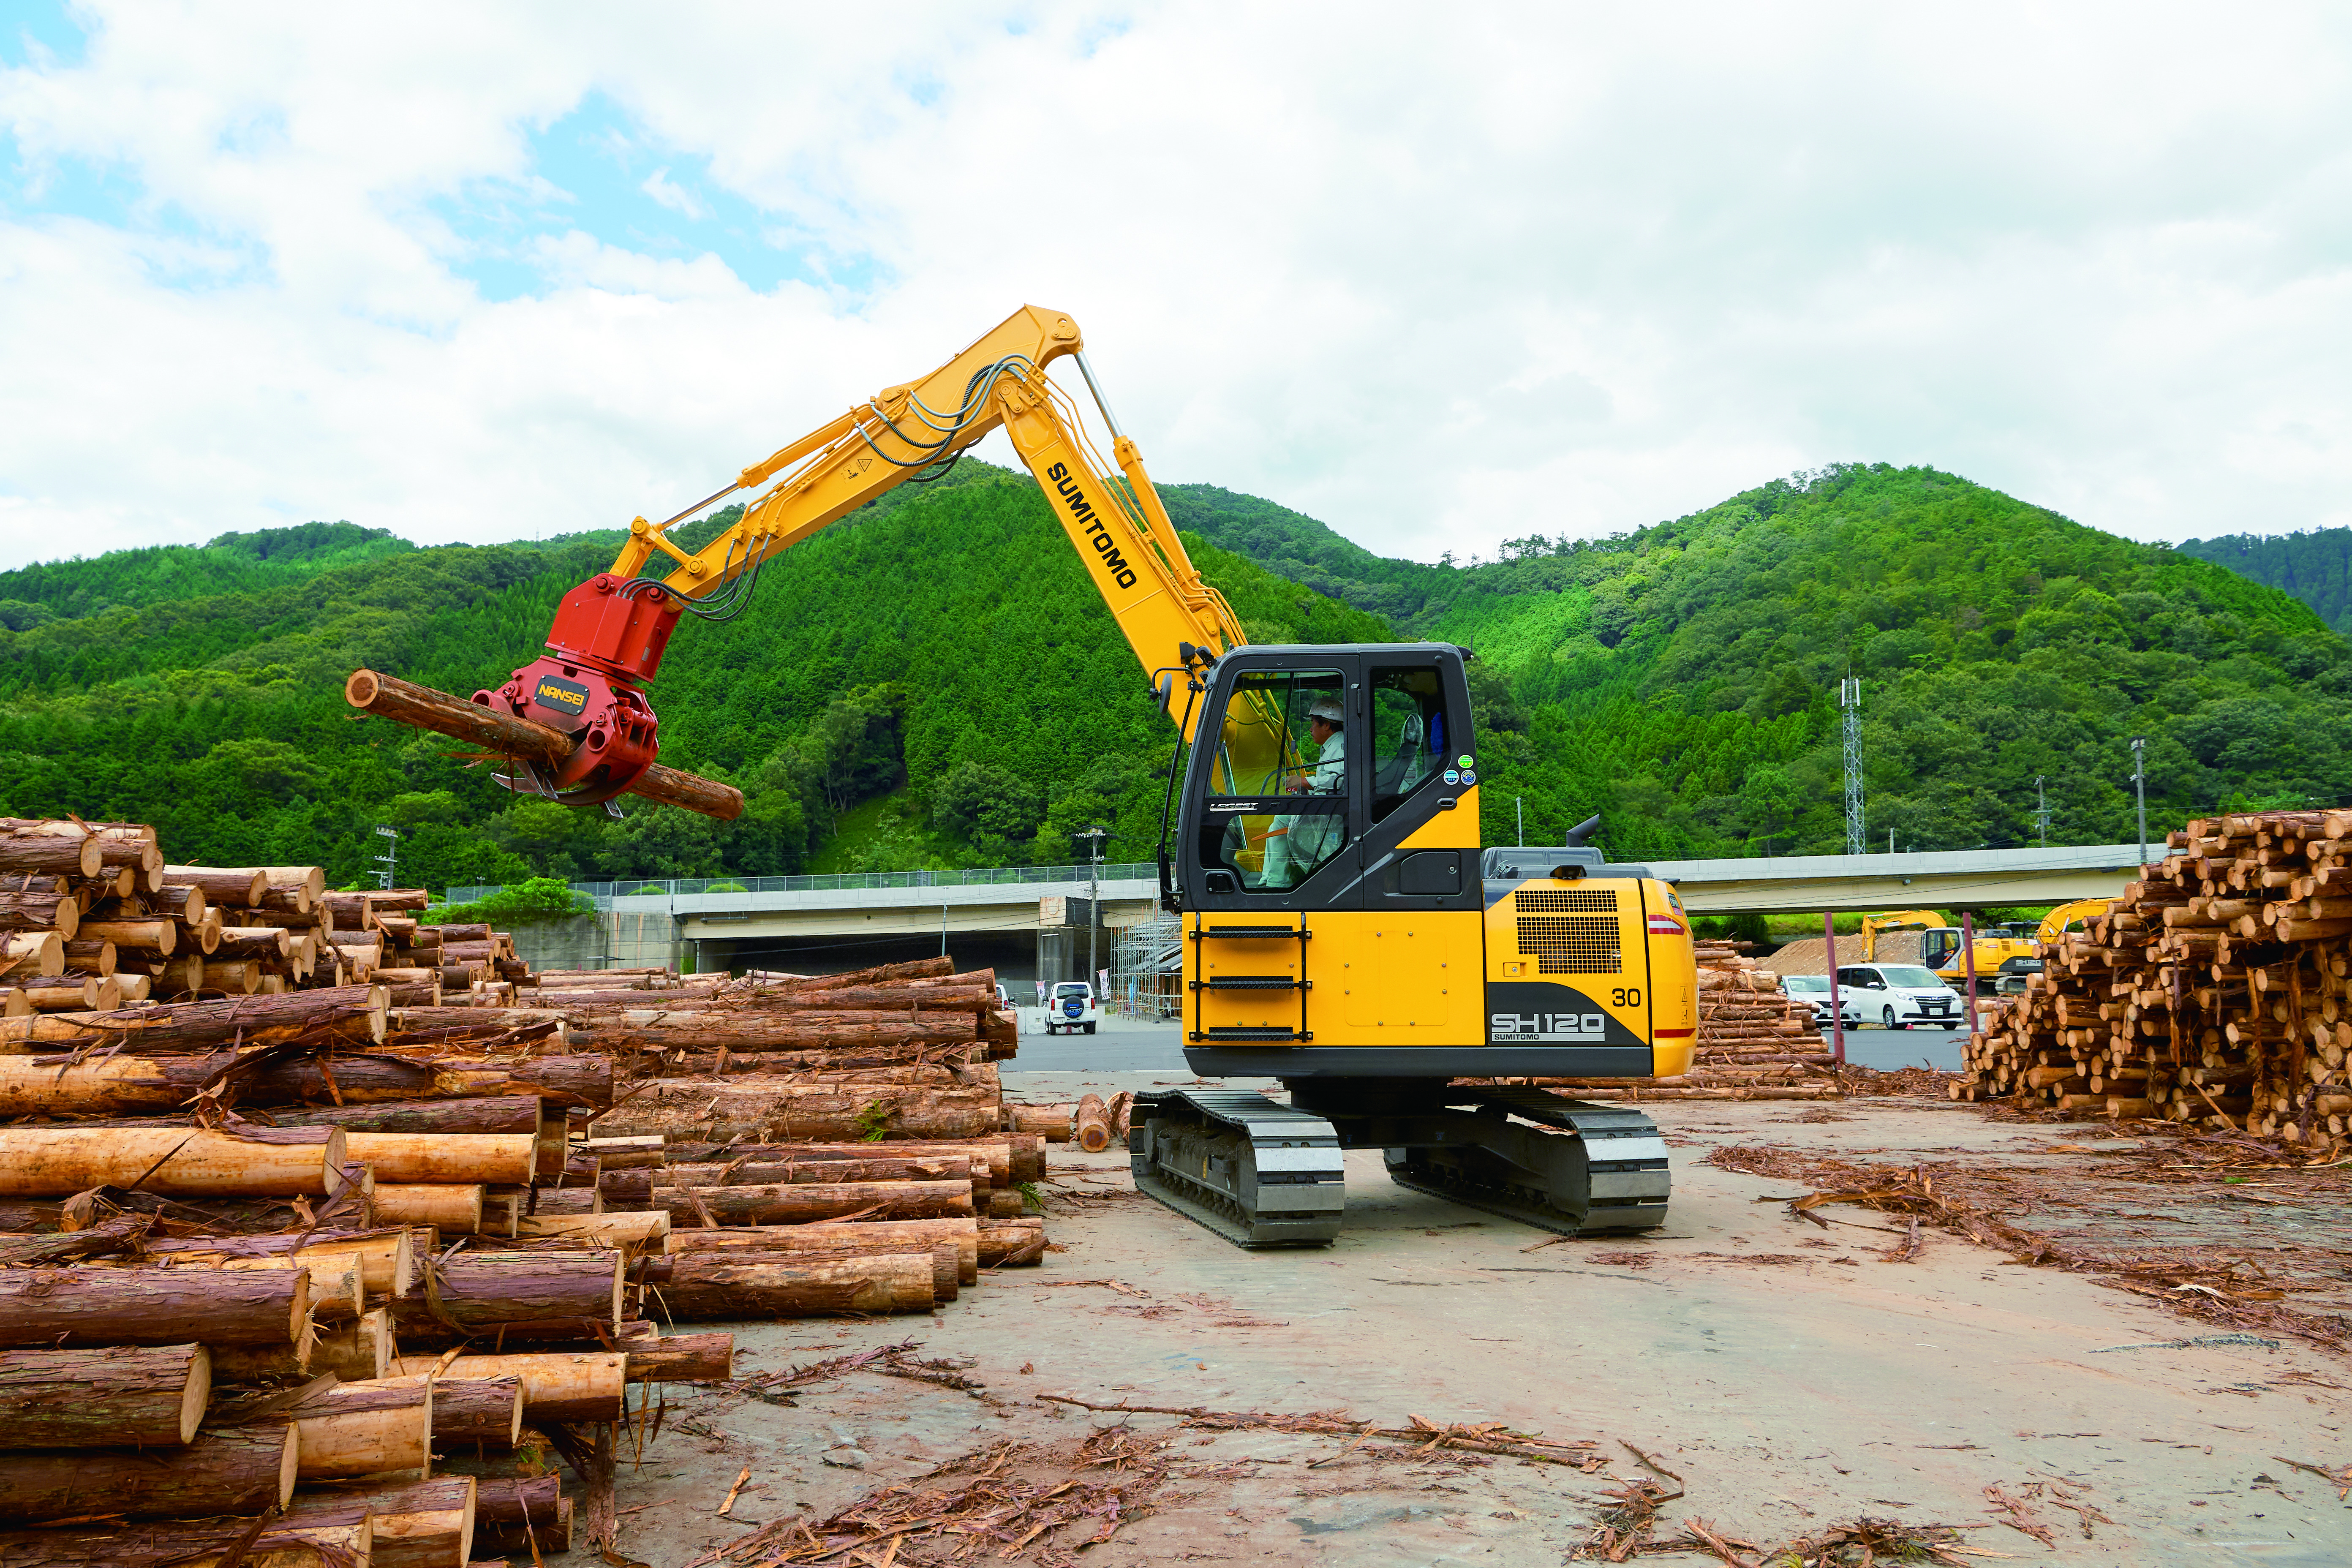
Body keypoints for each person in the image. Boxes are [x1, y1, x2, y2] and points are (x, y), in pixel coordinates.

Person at [1261, 697, 1347, 886]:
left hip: (1329, 813)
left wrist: (1304, 781)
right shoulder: (1333, 746)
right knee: (1280, 821)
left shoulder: (1339, 747)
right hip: (1325, 807)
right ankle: (1271, 879)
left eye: (1313, 724)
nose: (1311, 729)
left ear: (1326, 725)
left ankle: (1277, 882)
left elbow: (1337, 780)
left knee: (1280, 822)